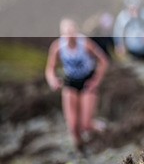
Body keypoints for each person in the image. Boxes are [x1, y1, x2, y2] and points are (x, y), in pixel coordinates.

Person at [45, 18, 109, 151]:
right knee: (73, 127)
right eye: (66, 33)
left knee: (86, 125)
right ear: (62, 33)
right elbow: (50, 68)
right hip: (70, 82)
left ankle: (102, 129)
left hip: (87, 81)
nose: (69, 35)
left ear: (76, 31)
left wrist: (96, 81)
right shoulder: (57, 47)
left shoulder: (85, 44)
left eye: (72, 32)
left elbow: (103, 60)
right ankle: (80, 151)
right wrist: (53, 81)